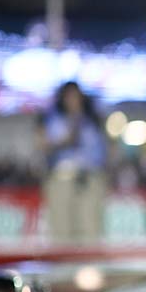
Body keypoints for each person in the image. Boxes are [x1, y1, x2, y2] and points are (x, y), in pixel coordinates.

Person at [36, 81, 108, 242]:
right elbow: (43, 145)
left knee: (91, 229)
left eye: (76, 96)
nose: (73, 100)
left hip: (90, 179)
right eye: (69, 96)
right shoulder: (51, 119)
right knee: (61, 230)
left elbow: (102, 151)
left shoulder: (92, 121)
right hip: (62, 178)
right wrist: (66, 137)